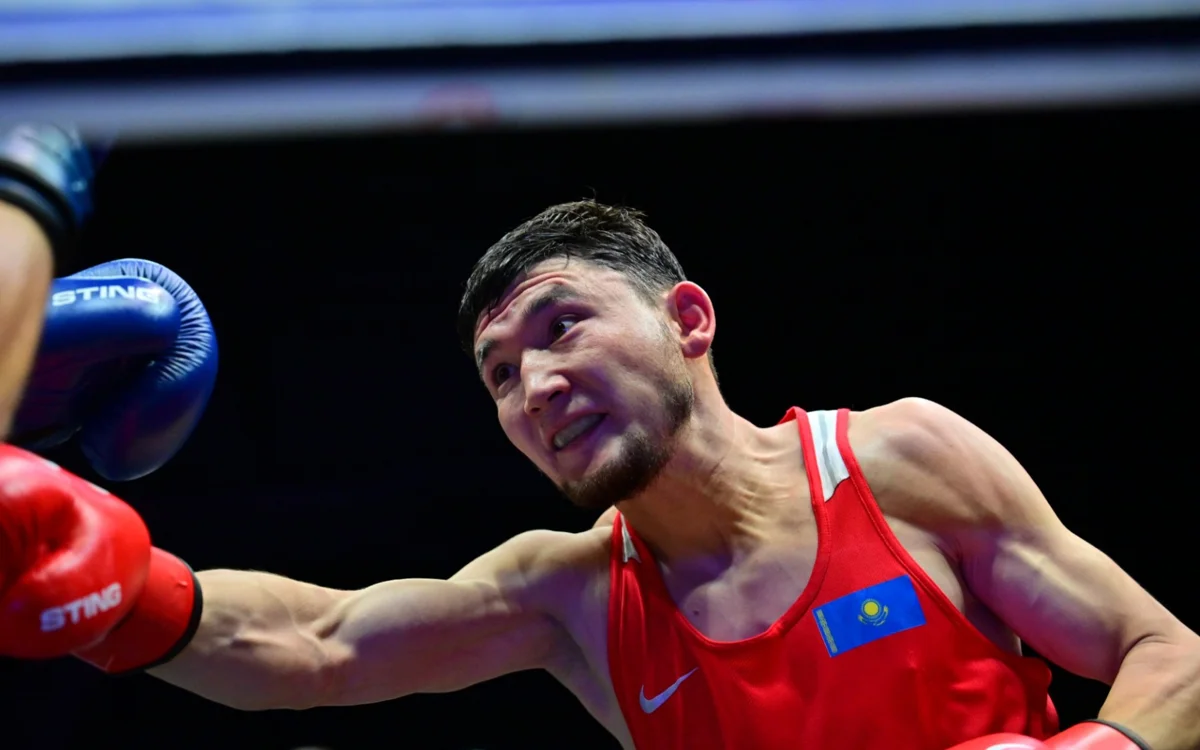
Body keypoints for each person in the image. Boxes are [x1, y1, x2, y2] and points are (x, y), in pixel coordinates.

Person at [1, 199, 1197, 749]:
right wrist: (117, 596)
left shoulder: (894, 463)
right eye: (500, 374)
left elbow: (1171, 658)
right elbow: (323, 644)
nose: (533, 385)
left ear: (689, 320)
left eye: (562, 326)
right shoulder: (571, 595)